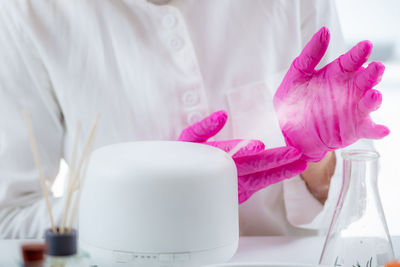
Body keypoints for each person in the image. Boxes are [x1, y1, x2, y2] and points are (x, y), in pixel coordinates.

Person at [0, 0, 387, 238]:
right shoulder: (28, 13)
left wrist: (319, 161)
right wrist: (143, 200)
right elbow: (9, 222)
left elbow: (355, 193)